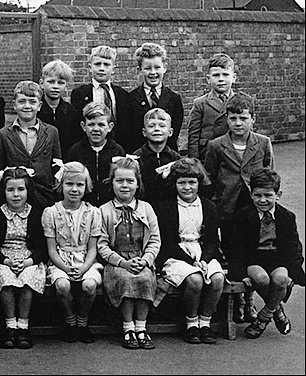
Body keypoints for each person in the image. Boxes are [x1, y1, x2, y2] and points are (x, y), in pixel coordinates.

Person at [204, 94, 273, 322]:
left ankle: (250, 300)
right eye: (233, 118)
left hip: (253, 209)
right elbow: (210, 178)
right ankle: (235, 303)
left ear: (253, 119)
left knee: (252, 255)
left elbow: (268, 176)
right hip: (228, 209)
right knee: (232, 255)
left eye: (243, 118)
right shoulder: (216, 145)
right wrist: (215, 205)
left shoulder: (263, 143)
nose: (238, 123)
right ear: (227, 119)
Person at [229, 168, 305, 339]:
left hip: (277, 258)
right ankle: (276, 310)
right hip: (254, 258)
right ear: (251, 194)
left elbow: (293, 247)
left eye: (268, 195)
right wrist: (241, 273)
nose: (263, 200)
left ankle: (263, 317)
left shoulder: (286, 217)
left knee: (281, 279)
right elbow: (236, 248)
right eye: (258, 196)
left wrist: (294, 272)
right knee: (261, 278)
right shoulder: (243, 216)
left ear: (278, 195)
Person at [155, 158, 224, 345]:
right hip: (176, 255)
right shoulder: (166, 207)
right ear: (175, 184)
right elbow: (168, 242)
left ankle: (205, 322)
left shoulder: (209, 207)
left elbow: (211, 240)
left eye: (192, 182)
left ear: (198, 183)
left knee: (217, 278)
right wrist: (190, 261)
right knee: (195, 280)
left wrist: (205, 259)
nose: (187, 187)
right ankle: (191, 323)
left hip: (202, 252)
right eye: (182, 182)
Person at [97, 156, 161, 350]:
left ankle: (141, 327)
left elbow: (155, 240)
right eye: (119, 181)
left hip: (141, 259)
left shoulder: (146, 208)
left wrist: (146, 260)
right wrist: (122, 262)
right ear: (112, 183)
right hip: (116, 262)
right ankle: (128, 328)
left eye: (130, 181)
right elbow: (102, 244)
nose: (125, 186)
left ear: (137, 183)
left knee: (143, 278)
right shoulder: (104, 210)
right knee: (125, 279)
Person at [43, 161, 103, 344]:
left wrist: (85, 267)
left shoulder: (93, 212)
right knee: (62, 286)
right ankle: (70, 321)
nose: (74, 189)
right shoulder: (51, 212)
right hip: (61, 260)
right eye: (69, 184)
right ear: (61, 185)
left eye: (80, 184)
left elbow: (93, 248)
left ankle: (82, 322)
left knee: (89, 286)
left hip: (86, 259)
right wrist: (66, 268)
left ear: (87, 186)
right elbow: (51, 250)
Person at [0, 167, 46, 349]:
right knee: (7, 280)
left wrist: (28, 261)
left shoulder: (36, 214)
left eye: (21, 189)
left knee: (27, 280)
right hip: (3, 259)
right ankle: (10, 326)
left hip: (28, 258)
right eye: (10, 190)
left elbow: (41, 247)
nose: (16, 195)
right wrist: (6, 261)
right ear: (3, 192)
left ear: (28, 190)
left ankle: (23, 326)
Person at [0, 80, 61, 210]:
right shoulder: (3, 135)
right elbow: (0, 169)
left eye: (32, 102)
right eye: (22, 101)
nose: (27, 106)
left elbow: (57, 167)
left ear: (40, 105)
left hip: (45, 199)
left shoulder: (52, 132)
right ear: (14, 105)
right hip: (16, 200)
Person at [188, 53, 254, 162]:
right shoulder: (200, 103)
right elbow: (193, 138)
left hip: (234, 155)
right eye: (216, 75)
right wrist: (194, 162)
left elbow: (249, 131)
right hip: (208, 156)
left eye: (225, 74)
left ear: (234, 78)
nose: (221, 79)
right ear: (208, 79)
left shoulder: (242, 102)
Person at [69, 45, 132, 151]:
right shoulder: (80, 93)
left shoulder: (122, 95)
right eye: (97, 64)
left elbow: (125, 126)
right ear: (90, 67)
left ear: (113, 69)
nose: (101, 68)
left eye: (106, 65)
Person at [126, 43, 184, 153]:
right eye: (147, 68)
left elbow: (174, 134)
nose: (153, 72)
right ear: (140, 70)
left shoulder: (174, 99)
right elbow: (129, 134)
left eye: (157, 67)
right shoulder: (130, 99)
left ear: (165, 68)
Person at [66, 102, 125, 207]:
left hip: (110, 206)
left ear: (110, 127)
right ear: (83, 126)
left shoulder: (117, 150)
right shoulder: (76, 151)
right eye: (91, 124)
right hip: (83, 206)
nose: (96, 129)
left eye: (101, 125)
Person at [132, 108, 181, 207]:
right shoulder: (137, 158)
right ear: (144, 132)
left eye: (162, 126)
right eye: (151, 126)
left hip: (170, 209)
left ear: (170, 132)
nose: (157, 129)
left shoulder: (175, 158)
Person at [38, 59, 83, 154]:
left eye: (60, 83)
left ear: (66, 86)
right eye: (51, 82)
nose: (55, 86)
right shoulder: (35, 111)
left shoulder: (72, 112)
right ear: (42, 83)